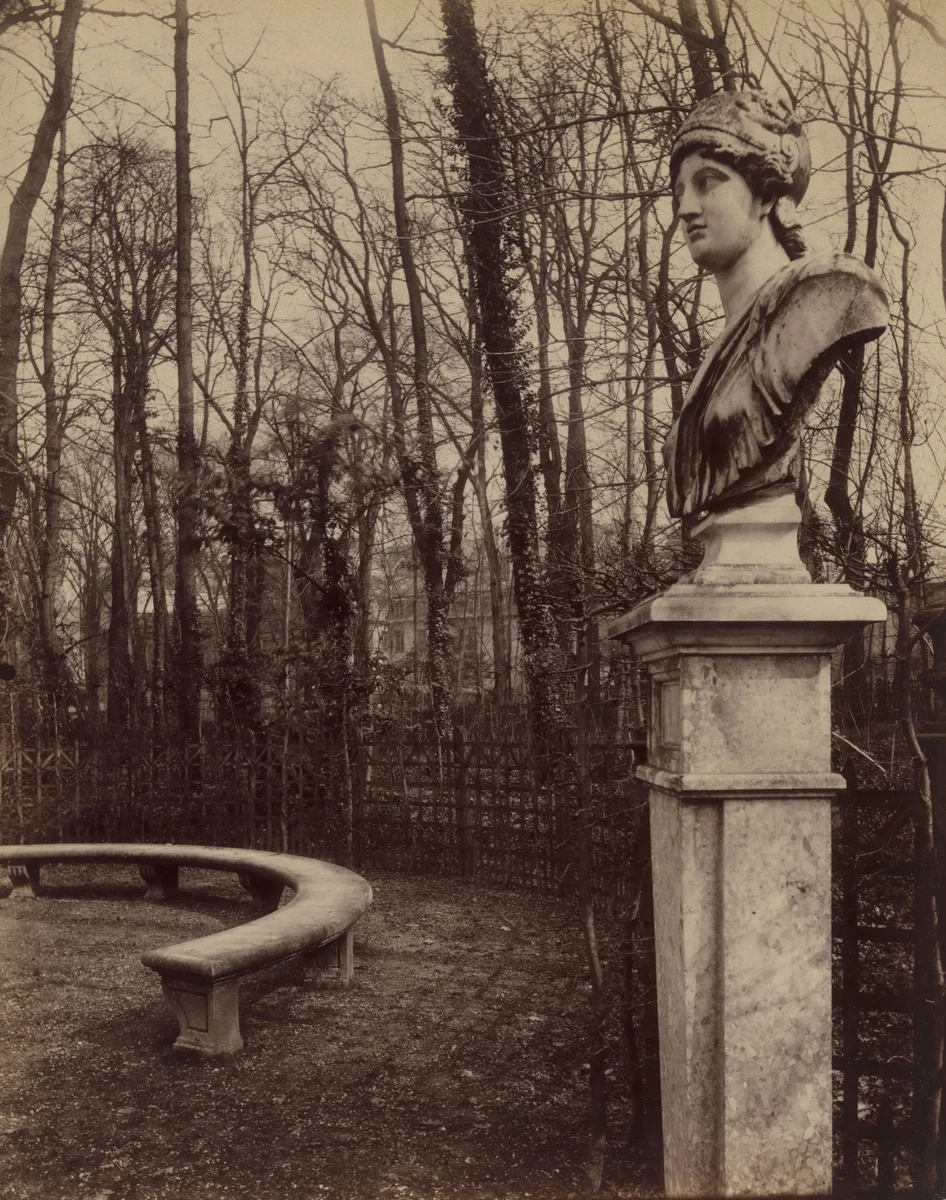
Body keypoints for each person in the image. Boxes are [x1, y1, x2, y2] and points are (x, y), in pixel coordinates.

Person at [662, 90, 888, 520]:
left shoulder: (828, 292)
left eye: (708, 181)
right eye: (679, 192)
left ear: (765, 194)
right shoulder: (721, 350)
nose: (686, 208)